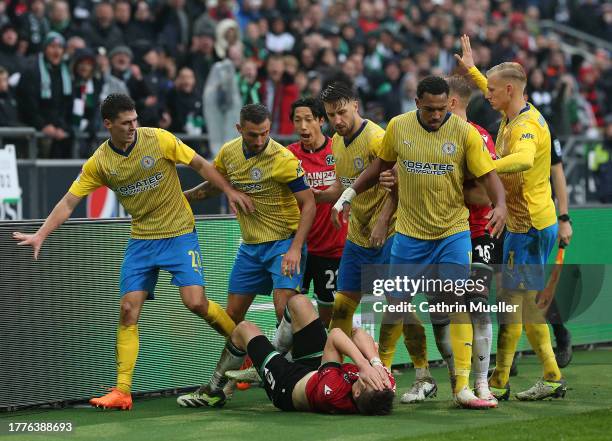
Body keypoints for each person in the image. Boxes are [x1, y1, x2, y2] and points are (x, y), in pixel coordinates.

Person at [13, 93, 253, 410]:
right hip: (141, 239)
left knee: (195, 302)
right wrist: (42, 234)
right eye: (126, 123)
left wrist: (230, 191)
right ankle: (122, 391)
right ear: (108, 124)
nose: (133, 127)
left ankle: (243, 351)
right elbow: (69, 201)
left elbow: (199, 164)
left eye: (135, 120)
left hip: (179, 232)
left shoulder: (158, 139)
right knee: (128, 310)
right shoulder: (100, 162)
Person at [334, 75, 506, 409]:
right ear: (417, 103)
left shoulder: (464, 133)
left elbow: (489, 176)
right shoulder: (398, 128)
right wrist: (349, 192)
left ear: (449, 104)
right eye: (429, 109)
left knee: (457, 305)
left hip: (452, 233)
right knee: (395, 306)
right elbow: (380, 165)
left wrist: (499, 205)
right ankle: (380, 375)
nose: (436, 115)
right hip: (410, 236)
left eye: (442, 108)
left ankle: (462, 387)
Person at [177, 103, 316, 406]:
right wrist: (182, 199)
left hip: (283, 243)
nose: (259, 140)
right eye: (253, 135)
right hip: (250, 247)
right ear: (239, 129)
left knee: (285, 312)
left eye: (265, 133)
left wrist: (295, 249)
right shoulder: (228, 152)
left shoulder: (282, 158)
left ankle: (276, 375)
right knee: (233, 320)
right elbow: (216, 185)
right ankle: (218, 388)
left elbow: (309, 204)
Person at [455, 34, 567, 401]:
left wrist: (484, 167)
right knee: (513, 301)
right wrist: (469, 67)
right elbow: (487, 84)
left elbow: (522, 159)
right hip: (524, 224)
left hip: (530, 225)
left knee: (523, 303)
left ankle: (550, 376)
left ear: (507, 90)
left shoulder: (526, 126)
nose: (485, 94)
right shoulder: (510, 112)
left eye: (490, 89)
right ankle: (501, 379)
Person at [314, 80, 432, 406]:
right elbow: (344, 185)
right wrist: (316, 197)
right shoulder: (337, 142)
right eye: (330, 115)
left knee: (398, 306)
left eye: (341, 112)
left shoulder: (378, 138)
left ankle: (422, 374)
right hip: (357, 236)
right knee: (342, 306)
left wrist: (382, 221)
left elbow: (398, 184)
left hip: (390, 233)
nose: (336, 120)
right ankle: (337, 370)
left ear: (355, 105)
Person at [178, 294, 396, 415]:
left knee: (244, 329)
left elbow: (336, 336)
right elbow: (357, 333)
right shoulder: (383, 385)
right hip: (316, 370)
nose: (366, 376)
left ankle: (213, 391)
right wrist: (376, 364)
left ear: (356, 394)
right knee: (298, 302)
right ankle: (264, 364)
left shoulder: (333, 393)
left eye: (364, 381)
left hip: (288, 384)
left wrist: (364, 364)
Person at [286, 97, 348, 326]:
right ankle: (291, 358)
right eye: (297, 120)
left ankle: (327, 357)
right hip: (299, 247)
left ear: (321, 120)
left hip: (332, 248)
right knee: (289, 309)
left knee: (328, 314)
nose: (303, 126)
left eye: (309, 120)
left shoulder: (338, 150)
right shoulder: (288, 155)